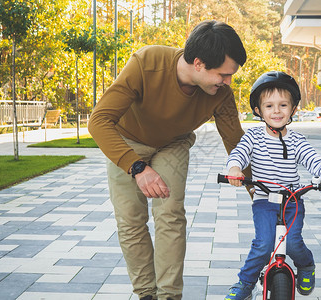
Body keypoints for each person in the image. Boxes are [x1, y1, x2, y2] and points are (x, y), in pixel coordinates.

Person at [88, 20, 249, 300]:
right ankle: (146, 294)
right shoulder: (147, 63)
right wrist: (138, 168)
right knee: (130, 220)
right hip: (126, 141)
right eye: (223, 75)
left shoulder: (220, 93)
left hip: (173, 143)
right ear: (198, 63)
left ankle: (169, 296)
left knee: (170, 215)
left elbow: (235, 141)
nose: (228, 82)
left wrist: (258, 188)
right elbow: (99, 121)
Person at [224, 71, 321, 300]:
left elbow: (314, 159)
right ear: (258, 110)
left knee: (293, 243)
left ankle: (306, 265)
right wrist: (234, 169)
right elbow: (239, 153)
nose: (276, 111)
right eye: (269, 106)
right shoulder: (253, 137)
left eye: (283, 105)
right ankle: (245, 283)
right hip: (264, 201)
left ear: (293, 109)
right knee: (264, 244)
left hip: (292, 201)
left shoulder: (297, 140)